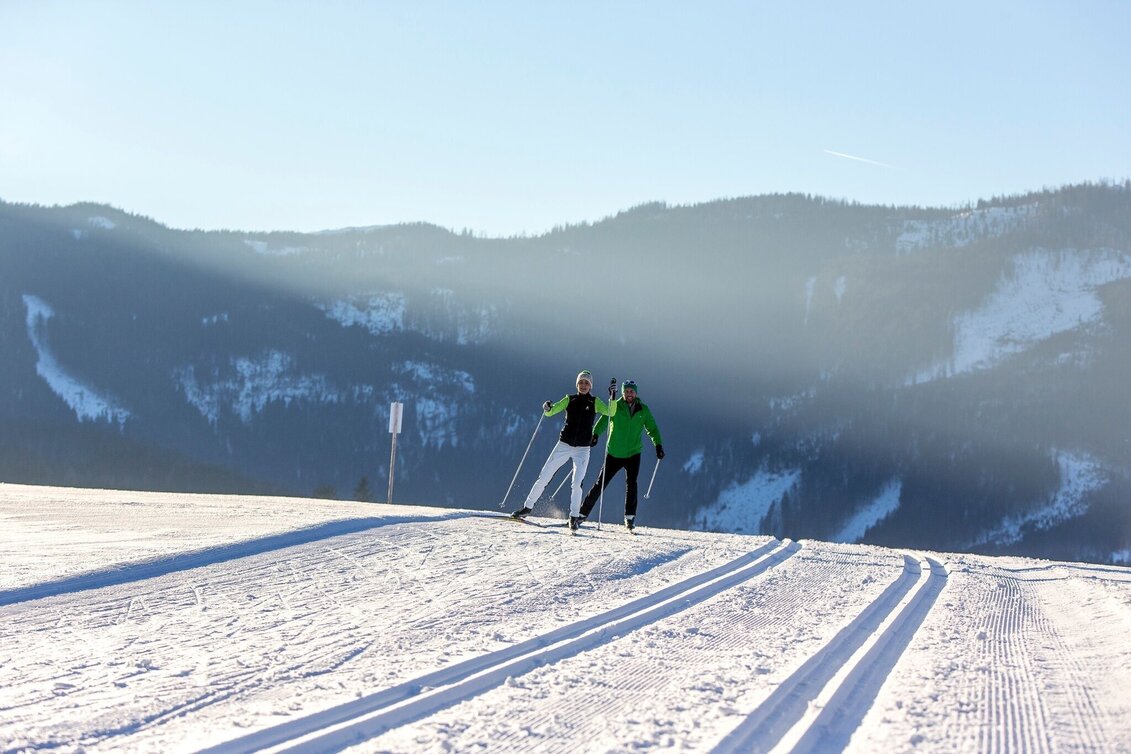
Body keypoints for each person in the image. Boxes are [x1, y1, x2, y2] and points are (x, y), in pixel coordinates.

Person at [512, 370, 617, 531]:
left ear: (591, 386)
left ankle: (574, 517)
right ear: (577, 384)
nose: (583, 385)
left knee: (577, 484)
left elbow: (610, 412)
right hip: (564, 445)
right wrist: (547, 407)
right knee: (544, 476)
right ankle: (527, 508)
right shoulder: (570, 399)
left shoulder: (595, 402)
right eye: (581, 382)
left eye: (586, 383)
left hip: (582, 449)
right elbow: (551, 412)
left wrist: (612, 398)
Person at [578, 379, 663, 531]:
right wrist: (595, 435)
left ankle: (630, 518)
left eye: (631, 391)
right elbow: (604, 421)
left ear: (636, 393)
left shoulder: (643, 409)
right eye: (626, 391)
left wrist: (658, 445)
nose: (629, 394)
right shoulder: (615, 406)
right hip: (614, 453)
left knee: (632, 484)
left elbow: (652, 429)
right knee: (600, 484)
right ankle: (582, 513)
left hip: (633, 453)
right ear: (623, 392)